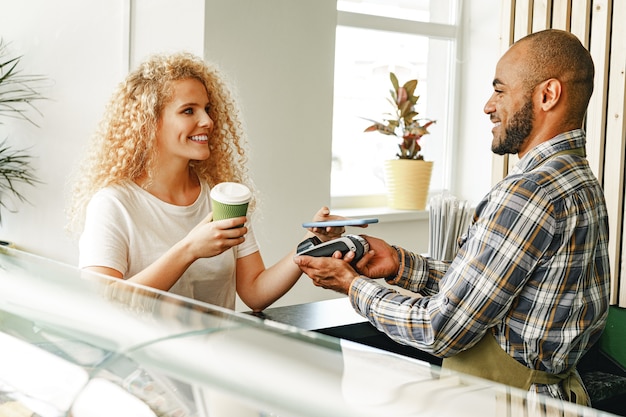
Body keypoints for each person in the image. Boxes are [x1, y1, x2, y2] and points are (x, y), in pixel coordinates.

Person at [294, 29, 610, 405]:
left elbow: (441, 329)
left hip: (503, 403)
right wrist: (399, 264)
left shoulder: (529, 192)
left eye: (500, 90)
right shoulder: (579, 180)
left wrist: (352, 286)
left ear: (547, 95)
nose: (488, 106)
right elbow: (491, 289)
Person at [67, 52, 342, 312]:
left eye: (207, 109)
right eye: (189, 111)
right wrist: (189, 249)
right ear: (149, 123)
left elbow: (255, 292)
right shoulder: (113, 204)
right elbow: (101, 303)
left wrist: (311, 242)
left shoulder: (220, 195)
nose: (208, 121)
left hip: (216, 358)